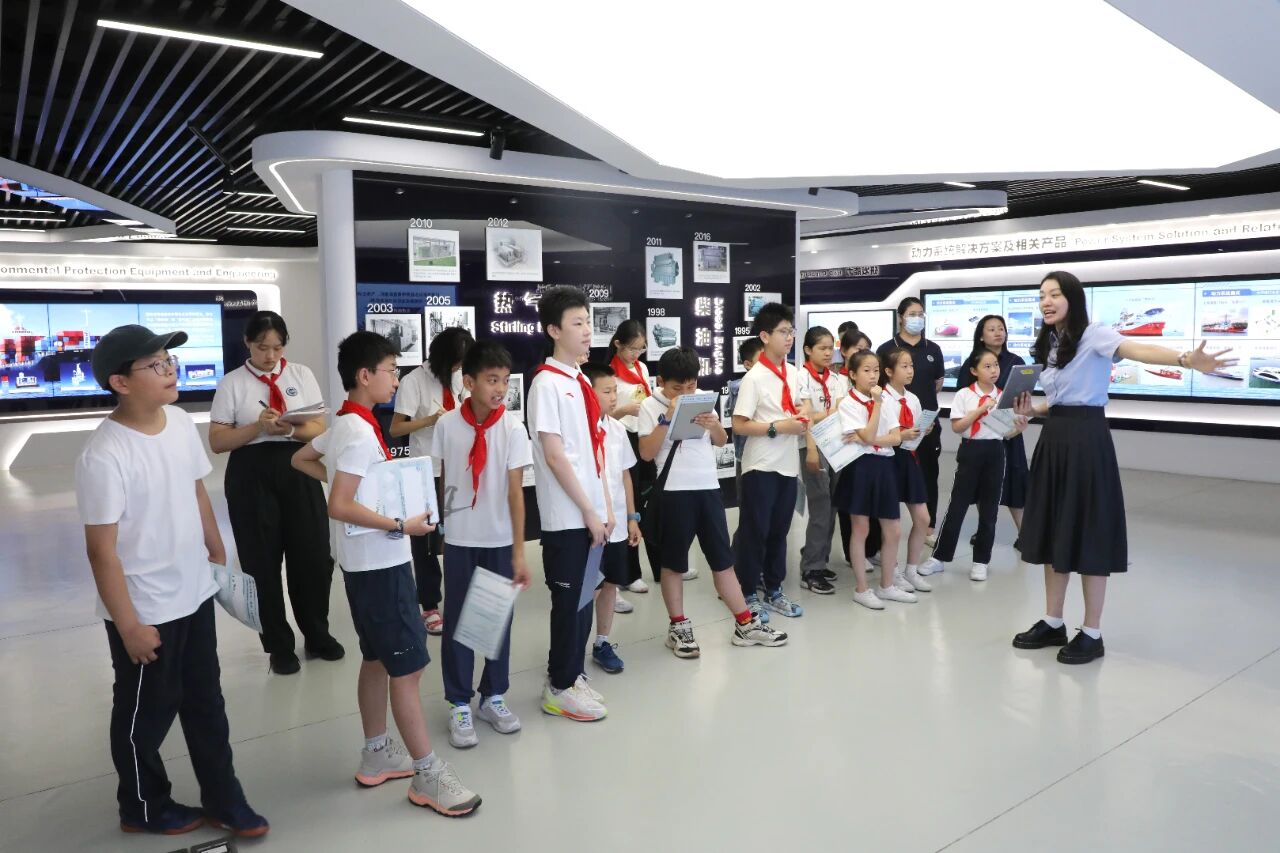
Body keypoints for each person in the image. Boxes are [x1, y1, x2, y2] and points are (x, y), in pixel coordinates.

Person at [76, 324, 268, 838]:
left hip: (194, 592)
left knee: (207, 705)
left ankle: (224, 798)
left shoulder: (181, 423)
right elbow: (101, 551)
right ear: (120, 382)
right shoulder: (104, 454)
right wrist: (129, 626)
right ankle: (142, 806)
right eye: (156, 365)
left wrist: (215, 546)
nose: (170, 370)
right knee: (145, 715)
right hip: (146, 609)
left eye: (170, 360)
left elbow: (195, 488)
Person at [291, 330, 480, 816]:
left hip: (364, 564)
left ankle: (376, 753)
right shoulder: (356, 432)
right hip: (380, 564)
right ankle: (427, 775)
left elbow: (301, 458)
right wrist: (400, 524)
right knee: (409, 669)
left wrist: (355, 490)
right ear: (364, 375)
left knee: (376, 659)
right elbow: (338, 505)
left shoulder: (346, 423)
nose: (396, 380)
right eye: (391, 371)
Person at [1011, 271, 1234, 664]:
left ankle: (1092, 632)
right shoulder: (1050, 342)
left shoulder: (1095, 334)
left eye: (1055, 294)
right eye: (1042, 295)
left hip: (1087, 440)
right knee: (1054, 531)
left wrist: (1185, 359)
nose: (1046, 301)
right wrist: (1031, 410)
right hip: (1055, 438)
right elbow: (1058, 401)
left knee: (1088, 531)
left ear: (1073, 298)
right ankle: (1053, 621)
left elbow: (1138, 350)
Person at [208, 310, 341, 675]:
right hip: (250, 474)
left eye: (277, 348)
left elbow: (318, 429)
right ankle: (278, 646)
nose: (270, 356)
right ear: (247, 344)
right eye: (261, 347)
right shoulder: (232, 383)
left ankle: (317, 634)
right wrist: (257, 427)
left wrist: (289, 430)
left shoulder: (300, 374)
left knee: (313, 557)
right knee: (261, 562)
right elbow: (218, 441)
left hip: (298, 465)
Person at [638, 346, 787, 657]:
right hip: (673, 492)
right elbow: (647, 453)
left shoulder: (702, 398)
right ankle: (678, 627)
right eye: (677, 387)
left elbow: (722, 441)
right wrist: (666, 419)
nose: (685, 392)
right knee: (673, 565)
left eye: (690, 385)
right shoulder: (650, 406)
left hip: (708, 489)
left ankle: (745, 624)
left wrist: (713, 424)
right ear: (661, 381)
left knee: (723, 561)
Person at [430, 341, 531, 749]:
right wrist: (443, 527)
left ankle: (493, 696)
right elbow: (443, 479)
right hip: (459, 538)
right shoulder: (446, 425)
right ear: (468, 382)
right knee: (457, 621)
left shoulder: (513, 429)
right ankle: (459, 701)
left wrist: (519, 551)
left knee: (495, 617)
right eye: (491, 380)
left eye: (504, 381)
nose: (500, 389)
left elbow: (515, 493)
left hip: (499, 539)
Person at [527, 286, 614, 721]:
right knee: (568, 604)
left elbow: (593, 452)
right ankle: (559, 688)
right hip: (567, 517)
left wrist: (605, 508)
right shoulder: (546, 384)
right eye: (576, 323)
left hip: (590, 512)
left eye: (588, 322)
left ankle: (571, 673)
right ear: (553, 330)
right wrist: (588, 510)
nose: (586, 331)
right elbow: (555, 455)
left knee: (584, 601)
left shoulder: (579, 381)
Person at [391, 326, 474, 636]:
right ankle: (429, 605)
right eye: (456, 363)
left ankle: (460, 599)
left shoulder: (461, 377)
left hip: (458, 468)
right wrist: (430, 420)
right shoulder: (413, 381)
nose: (459, 368)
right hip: (425, 471)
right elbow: (396, 429)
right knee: (425, 543)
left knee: (459, 536)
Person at [919, 348, 1027, 581]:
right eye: (987, 366)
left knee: (989, 509)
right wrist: (980, 409)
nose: (994, 370)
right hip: (971, 449)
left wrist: (1018, 428)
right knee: (957, 506)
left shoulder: (1004, 397)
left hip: (995, 451)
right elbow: (957, 427)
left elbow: (1006, 433)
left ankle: (981, 561)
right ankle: (939, 557)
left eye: (996, 365)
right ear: (974, 370)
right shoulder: (964, 395)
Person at [732, 302, 810, 621]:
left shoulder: (793, 372)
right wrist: (779, 427)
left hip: (787, 465)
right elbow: (739, 424)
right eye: (782, 332)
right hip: (760, 465)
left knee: (780, 531)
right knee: (755, 532)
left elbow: (802, 406)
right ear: (764, 336)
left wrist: (803, 414)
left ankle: (774, 590)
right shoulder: (755, 377)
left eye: (791, 331)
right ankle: (747, 593)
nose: (789, 337)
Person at [835, 351, 915, 610]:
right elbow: (868, 434)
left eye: (876, 370)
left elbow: (896, 437)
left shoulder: (885, 400)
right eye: (866, 371)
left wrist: (869, 439)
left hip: (885, 465)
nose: (873, 376)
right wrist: (876, 409)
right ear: (853, 374)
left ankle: (887, 585)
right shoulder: (849, 403)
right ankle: (861, 589)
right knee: (860, 528)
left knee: (893, 528)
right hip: (860, 466)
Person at [582, 362, 643, 674]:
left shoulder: (618, 430)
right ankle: (571, 650)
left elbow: (625, 476)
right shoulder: (579, 432)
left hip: (618, 523)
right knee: (586, 589)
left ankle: (602, 642)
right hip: (590, 526)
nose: (614, 397)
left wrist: (632, 517)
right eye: (606, 391)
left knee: (610, 584)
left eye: (615, 390)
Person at [877, 298, 945, 544]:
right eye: (912, 314)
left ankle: (928, 528)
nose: (918, 318)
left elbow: (937, 384)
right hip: (892, 428)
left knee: (928, 474)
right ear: (901, 317)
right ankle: (884, 533)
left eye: (921, 314)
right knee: (889, 479)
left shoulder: (933, 348)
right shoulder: (887, 349)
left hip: (925, 425)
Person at [607, 319, 656, 594]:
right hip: (623, 437)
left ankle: (662, 566)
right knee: (631, 504)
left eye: (641, 348)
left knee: (651, 502)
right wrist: (625, 410)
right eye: (632, 349)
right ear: (618, 344)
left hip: (644, 435)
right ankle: (628, 573)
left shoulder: (642, 368)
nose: (636, 354)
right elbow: (602, 416)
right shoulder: (609, 375)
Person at [879, 348, 934, 594]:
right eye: (904, 366)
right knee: (892, 524)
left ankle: (912, 569)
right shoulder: (881, 398)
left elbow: (915, 430)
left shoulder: (912, 399)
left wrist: (923, 430)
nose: (910, 371)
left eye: (911, 365)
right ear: (889, 371)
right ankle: (893, 573)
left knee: (923, 518)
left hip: (910, 458)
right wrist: (902, 434)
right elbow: (880, 433)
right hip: (888, 459)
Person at [972, 315, 1030, 539]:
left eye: (1001, 328)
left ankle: (1024, 535)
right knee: (983, 482)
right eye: (992, 329)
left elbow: (1024, 392)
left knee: (1015, 478)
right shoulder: (972, 361)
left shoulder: (1017, 361)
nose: (998, 333)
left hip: (1010, 428)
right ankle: (984, 531)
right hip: (982, 430)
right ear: (981, 335)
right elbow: (964, 394)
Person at [797, 326, 843, 594]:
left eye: (830, 348)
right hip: (811, 446)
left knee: (833, 505)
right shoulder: (800, 378)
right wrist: (828, 414)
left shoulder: (837, 379)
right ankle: (811, 569)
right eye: (822, 348)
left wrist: (821, 414)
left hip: (837, 446)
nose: (828, 353)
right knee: (820, 506)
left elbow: (842, 411)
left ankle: (819, 559)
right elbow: (806, 417)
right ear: (808, 350)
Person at [837, 326, 873, 565]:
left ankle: (871, 550)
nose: (863, 353)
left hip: (869, 449)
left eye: (867, 349)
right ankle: (853, 554)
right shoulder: (838, 380)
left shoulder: (873, 384)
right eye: (859, 349)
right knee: (849, 503)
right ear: (844, 351)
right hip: (844, 447)